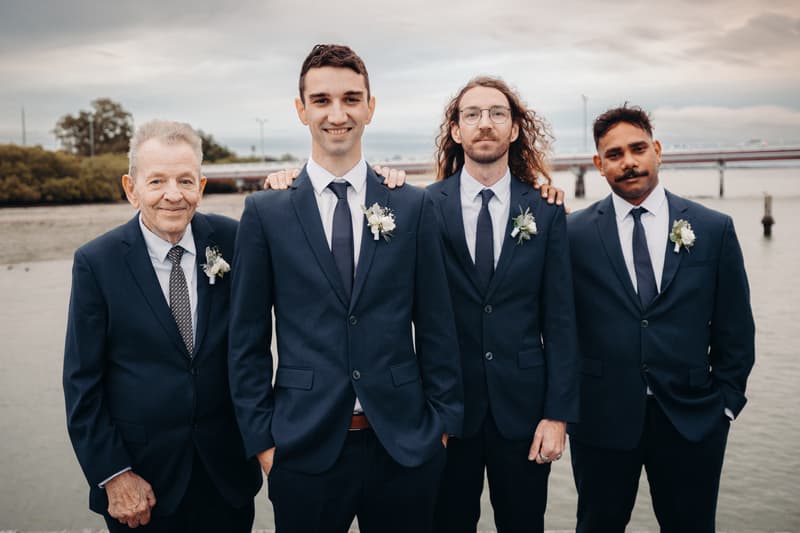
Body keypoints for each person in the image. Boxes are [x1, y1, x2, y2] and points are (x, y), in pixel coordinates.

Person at [227, 44, 463, 533]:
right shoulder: (265, 212)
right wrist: (264, 444)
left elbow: (437, 325)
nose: (338, 114)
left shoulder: (413, 207)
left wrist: (440, 427)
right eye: (322, 100)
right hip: (301, 447)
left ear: (370, 107)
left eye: (352, 99)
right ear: (301, 110)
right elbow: (246, 341)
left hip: (404, 443)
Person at [63, 120, 261, 532]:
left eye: (185, 180)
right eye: (157, 181)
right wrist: (114, 474)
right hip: (141, 485)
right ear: (131, 189)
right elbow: (82, 385)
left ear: (202, 187)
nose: (173, 194)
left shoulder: (236, 240)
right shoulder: (96, 263)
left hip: (226, 479)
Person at [567, 105, 755, 533]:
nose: (628, 161)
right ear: (599, 165)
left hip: (693, 418)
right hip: (601, 418)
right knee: (597, 524)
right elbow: (559, 324)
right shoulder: (572, 233)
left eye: (637, 149)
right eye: (614, 154)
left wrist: (726, 404)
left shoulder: (712, 228)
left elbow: (736, 330)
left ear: (657, 151)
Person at [424, 76, 578, 533]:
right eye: (471, 114)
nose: (484, 123)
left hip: (526, 414)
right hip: (446, 413)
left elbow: (562, 320)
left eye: (497, 114)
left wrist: (557, 415)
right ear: (455, 131)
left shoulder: (546, 211)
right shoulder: (423, 207)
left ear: (514, 129)